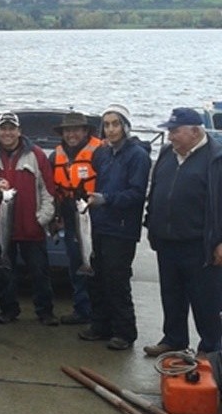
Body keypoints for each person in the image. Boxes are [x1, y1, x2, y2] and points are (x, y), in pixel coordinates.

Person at [144, 107, 222, 357]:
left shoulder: (216, 159)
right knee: (172, 295)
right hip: (167, 242)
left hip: (200, 244)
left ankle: (211, 348)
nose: (170, 137)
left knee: (206, 301)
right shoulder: (168, 154)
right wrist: (151, 224)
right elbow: (155, 191)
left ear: (195, 131)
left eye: (175, 131)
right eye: (169, 131)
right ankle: (174, 339)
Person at [0, 111, 59, 326]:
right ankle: (8, 310)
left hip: (31, 228)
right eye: (3, 128)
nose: (8, 133)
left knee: (40, 272)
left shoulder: (37, 155)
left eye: (12, 128)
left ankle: (45, 311)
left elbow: (48, 189)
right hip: (0, 227)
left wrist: (43, 218)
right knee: (5, 272)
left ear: (19, 131)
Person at [78, 103, 150, 351]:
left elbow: (137, 193)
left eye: (115, 124)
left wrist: (107, 199)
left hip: (121, 229)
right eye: (106, 125)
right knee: (95, 277)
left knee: (116, 280)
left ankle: (125, 332)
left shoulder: (138, 156)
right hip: (99, 224)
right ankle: (100, 325)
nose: (110, 130)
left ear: (125, 126)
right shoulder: (102, 154)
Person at [49, 112, 101, 325]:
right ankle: (81, 310)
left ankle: (100, 314)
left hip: (96, 215)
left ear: (86, 131)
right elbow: (53, 190)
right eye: (67, 130)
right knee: (76, 264)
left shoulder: (101, 152)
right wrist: (56, 216)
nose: (71, 134)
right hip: (71, 215)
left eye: (76, 129)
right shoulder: (55, 156)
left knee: (101, 268)